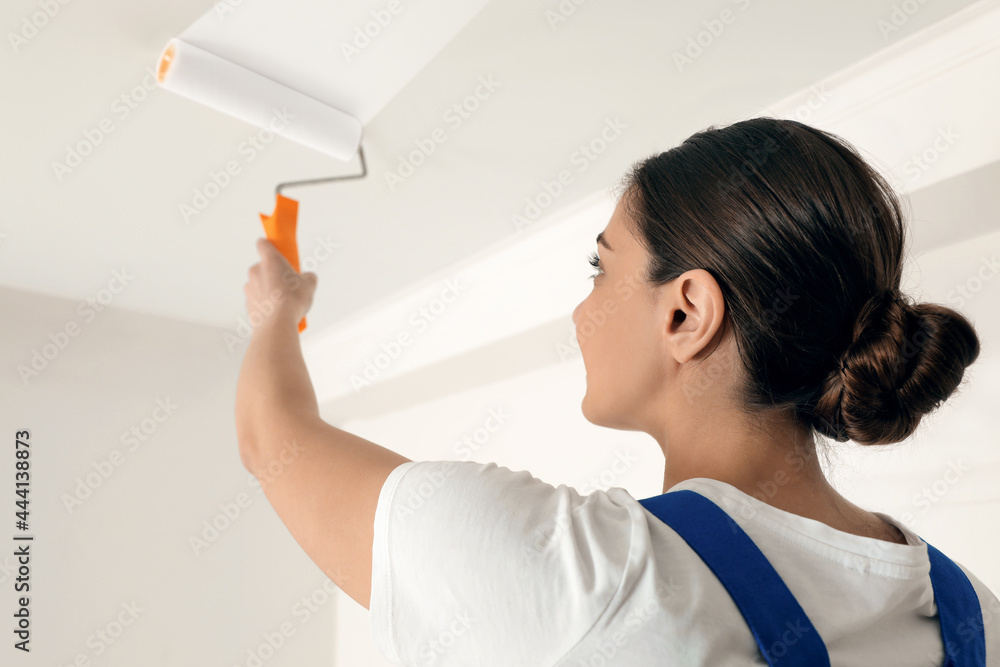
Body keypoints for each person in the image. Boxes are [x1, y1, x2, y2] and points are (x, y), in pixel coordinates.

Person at [235, 117, 998, 665]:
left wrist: (280, 312)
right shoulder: (976, 616)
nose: (581, 310)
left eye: (599, 268)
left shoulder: (590, 578)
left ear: (685, 311)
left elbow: (272, 437)